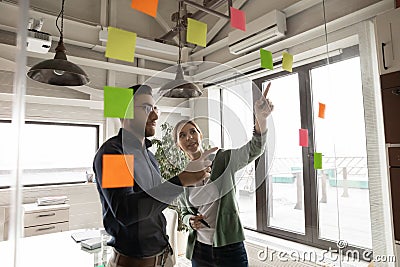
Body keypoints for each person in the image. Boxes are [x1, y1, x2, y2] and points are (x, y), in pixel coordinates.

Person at [93, 84, 217, 267]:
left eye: (155, 108)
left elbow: (152, 204)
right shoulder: (114, 153)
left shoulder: (149, 155)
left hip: (161, 258)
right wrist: (180, 180)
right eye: (146, 108)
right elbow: (125, 211)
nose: (155, 115)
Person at [174, 83, 274, 267]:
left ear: (200, 135)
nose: (189, 137)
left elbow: (254, 149)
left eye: (192, 131)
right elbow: (184, 211)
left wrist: (260, 118)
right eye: (182, 135)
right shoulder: (183, 176)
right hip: (199, 250)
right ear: (178, 144)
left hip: (230, 248)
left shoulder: (222, 159)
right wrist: (190, 220)